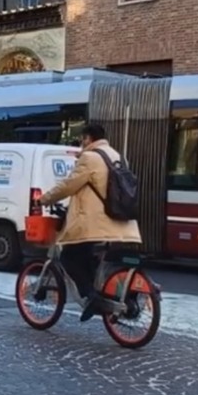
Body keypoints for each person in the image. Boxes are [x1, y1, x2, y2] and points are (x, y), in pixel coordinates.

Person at [37, 123, 144, 322]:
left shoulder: (89, 158)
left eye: (82, 139)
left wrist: (44, 199)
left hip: (96, 224)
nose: (81, 143)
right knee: (87, 257)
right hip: (121, 221)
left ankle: (91, 297)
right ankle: (101, 294)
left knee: (69, 256)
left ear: (88, 138)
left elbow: (68, 186)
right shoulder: (118, 156)